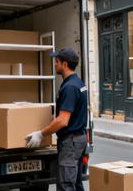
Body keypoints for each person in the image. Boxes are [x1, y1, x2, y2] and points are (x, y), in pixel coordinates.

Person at [25, 48, 88, 191]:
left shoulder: (69, 87)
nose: (54, 64)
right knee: (76, 183)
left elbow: (62, 120)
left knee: (66, 184)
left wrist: (41, 134)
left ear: (65, 64)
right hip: (78, 138)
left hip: (71, 142)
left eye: (57, 61)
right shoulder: (78, 82)